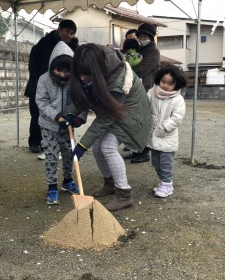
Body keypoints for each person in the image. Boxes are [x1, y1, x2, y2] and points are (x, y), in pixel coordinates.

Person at [68, 43, 150, 211]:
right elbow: (87, 95)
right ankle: (110, 183)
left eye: (87, 75)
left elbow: (106, 116)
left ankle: (124, 194)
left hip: (131, 115)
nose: (83, 78)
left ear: (96, 70)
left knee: (107, 147)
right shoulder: (95, 65)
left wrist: (83, 145)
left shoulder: (118, 81)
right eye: (80, 74)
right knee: (97, 148)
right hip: (117, 111)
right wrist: (69, 113)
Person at [35, 41, 86, 205]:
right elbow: (41, 102)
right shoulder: (44, 80)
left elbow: (82, 101)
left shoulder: (75, 81)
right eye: (59, 70)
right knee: (51, 156)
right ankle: (52, 187)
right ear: (51, 67)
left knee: (69, 153)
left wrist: (78, 117)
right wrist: (56, 117)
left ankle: (68, 180)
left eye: (67, 70)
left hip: (68, 125)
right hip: (49, 125)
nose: (63, 74)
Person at [24, 19, 79, 154]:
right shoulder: (43, 44)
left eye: (72, 33)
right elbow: (33, 67)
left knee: (64, 114)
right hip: (40, 85)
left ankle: (61, 143)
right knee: (37, 114)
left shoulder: (74, 47)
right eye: (67, 31)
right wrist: (41, 85)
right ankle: (35, 142)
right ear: (59, 29)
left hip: (64, 87)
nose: (69, 36)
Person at [147, 65, 187, 198]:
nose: (165, 85)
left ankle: (167, 184)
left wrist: (163, 129)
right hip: (153, 135)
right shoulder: (152, 93)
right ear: (159, 80)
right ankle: (163, 181)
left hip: (167, 137)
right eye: (163, 82)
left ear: (176, 84)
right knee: (155, 162)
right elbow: (145, 107)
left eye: (170, 83)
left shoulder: (178, 99)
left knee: (165, 163)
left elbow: (177, 118)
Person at [123, 23, 160, 163]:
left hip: (147, 89)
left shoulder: (153, 51)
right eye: (141, 35)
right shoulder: (140, 49)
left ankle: (144, 152)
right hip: (138, 88)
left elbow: (141, 70)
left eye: (146, 36)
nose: (143, 37)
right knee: (136, 121)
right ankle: (137, 149)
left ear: (151, 37)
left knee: (143, 121)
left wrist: (126, 70)